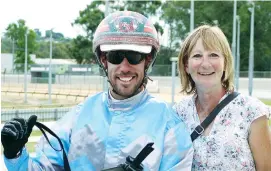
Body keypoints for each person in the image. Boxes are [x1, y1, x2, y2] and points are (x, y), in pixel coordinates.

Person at [1, 11, 193, 171]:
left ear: (147, 61)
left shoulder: (169, 126)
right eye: (116, 56)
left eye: (134, 56)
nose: (125, 67)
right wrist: (15, 154)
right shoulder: (77, 118)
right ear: (104, 61)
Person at [173, 24, 271, 170]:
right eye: (197, 56)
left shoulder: (252, 111)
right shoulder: (178, 113)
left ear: (225, 63)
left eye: (213, 55)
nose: (205, 64)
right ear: (186, 65)